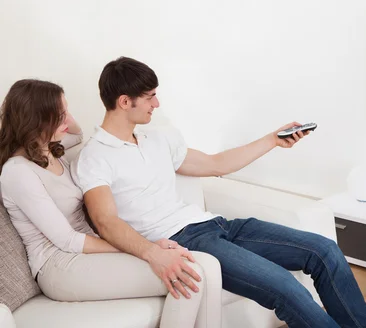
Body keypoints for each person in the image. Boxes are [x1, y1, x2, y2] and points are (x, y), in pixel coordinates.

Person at [71, 57, 366, 328]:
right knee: (284, 288)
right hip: (185, 242)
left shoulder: (156, 139)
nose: (157, 104)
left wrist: (273, 139)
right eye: (150, 97)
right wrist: (154, 254)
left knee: (324, 251)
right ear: (125, 102)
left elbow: (215, 163)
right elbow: (106, 221)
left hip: (218, 226)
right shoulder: (96, 156)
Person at [0, 79, 219, 328]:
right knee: (188, 276)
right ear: (36, 119)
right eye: (59, 115)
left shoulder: (49, 150)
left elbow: (77, 133)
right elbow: (67, 240)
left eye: (66, 111)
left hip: (86, 253)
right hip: (58, 265)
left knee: (200, 267)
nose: (67, 119)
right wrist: (146, 247)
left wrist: (59, 108)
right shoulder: (17, 172)